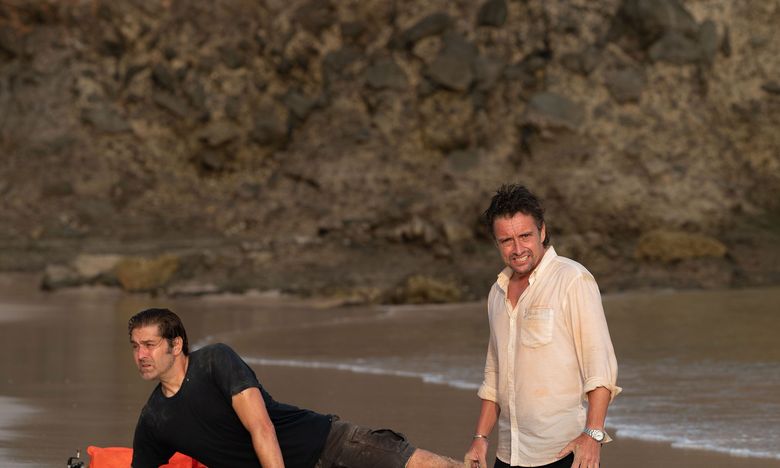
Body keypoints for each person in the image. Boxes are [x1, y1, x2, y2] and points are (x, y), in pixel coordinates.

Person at [128, 307, 462, 468]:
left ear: (176, 345)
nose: (141, 355)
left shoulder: (215, 361)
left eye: (149, 345)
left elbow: (261, 428)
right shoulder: (154, 419)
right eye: (135, 346)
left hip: (327, 442)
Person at [464, 184, 621, 468]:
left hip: (564, 454)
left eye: (525, 236)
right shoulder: (497, 293)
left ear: (542, 232)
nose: (518, 249)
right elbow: (495, 375)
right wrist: (480, 437)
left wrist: (593, 435)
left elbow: (599, 367)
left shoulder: (572, 279)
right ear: (497, 243)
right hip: (508, 454)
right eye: (507, 240)